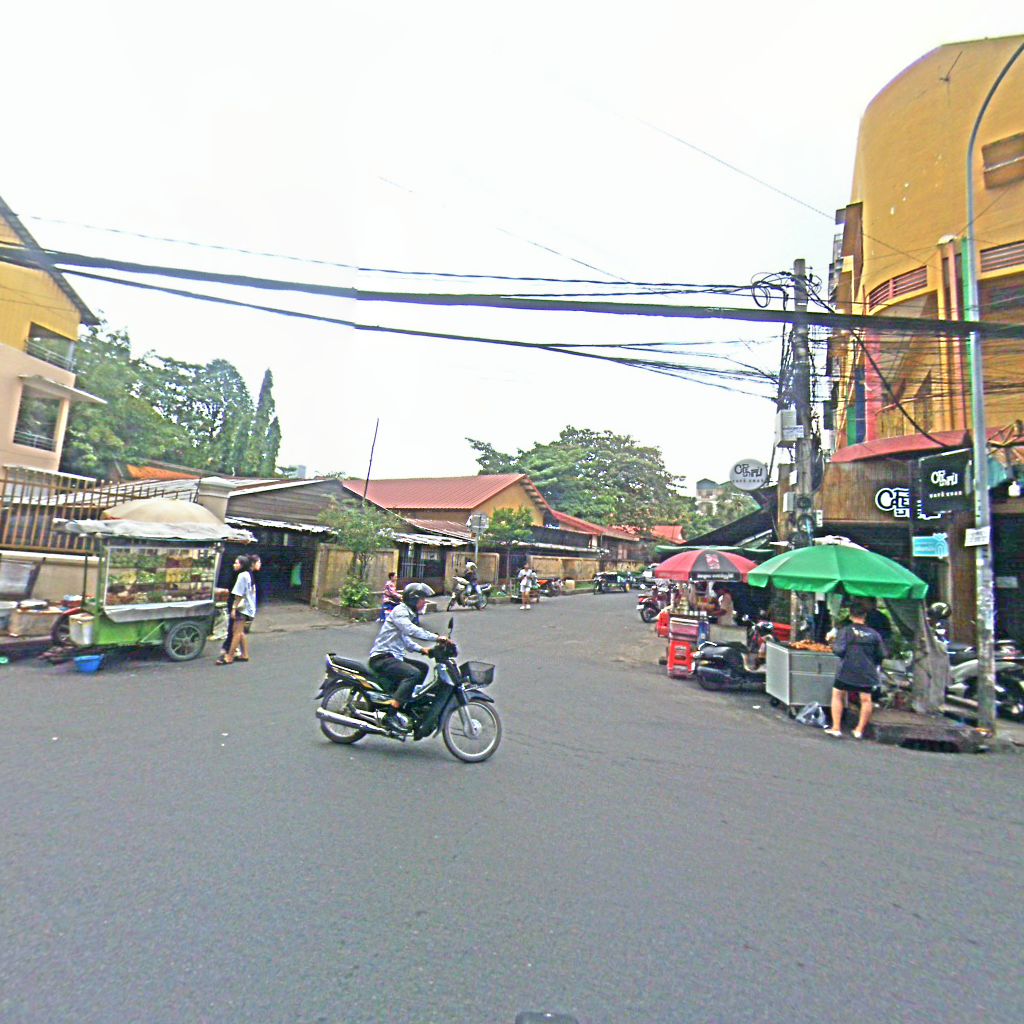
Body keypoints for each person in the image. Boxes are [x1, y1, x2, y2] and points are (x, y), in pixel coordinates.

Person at [368, 582, 442, 732]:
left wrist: (423, 650)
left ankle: (405, 702)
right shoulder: (400, 612)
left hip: (393, 656)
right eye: (422, 599)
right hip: (382, 657)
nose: (424, 602)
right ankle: (391, 714)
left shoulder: (408, 613)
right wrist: (436, 638)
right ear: (414, 599)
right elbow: (410, 630)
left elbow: (405, 640)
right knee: (413, 673)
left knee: (422, 667)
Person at [826, 598, 885, 739]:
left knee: (838, 695)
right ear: (865, 616)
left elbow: (839, 650)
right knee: (866, 699)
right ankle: (859, 730)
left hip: (847, 669)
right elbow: (881, 654)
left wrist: (832, 643)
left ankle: (836, 728)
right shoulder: (874, 634)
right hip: (867, 671)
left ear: (851, 615)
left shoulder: (846, 631)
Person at [217, 553, 261, 665]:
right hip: (248, 607)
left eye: (236, 563)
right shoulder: (249, 574)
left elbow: (239, 594)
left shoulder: (243, 575)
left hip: (242, 607)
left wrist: (234, 608)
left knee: (236, 632)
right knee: (240, 632)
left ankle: (230, 656)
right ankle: (244, 654)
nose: (234, 565)